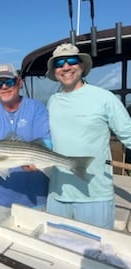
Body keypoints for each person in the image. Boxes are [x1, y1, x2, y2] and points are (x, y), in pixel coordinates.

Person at [45, 42, 131, 229]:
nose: (66, 67)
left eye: (72, 61)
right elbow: (50, 141)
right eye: (59, 63)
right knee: (56, 251)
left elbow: (129, 135)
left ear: (82, 66)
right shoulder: (52, 101)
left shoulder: (104, 98)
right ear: (54, 71)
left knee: (95, 255)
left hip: (95, 196)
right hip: (57, 195)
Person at [0, 63, 51, 231]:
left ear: (19, 82)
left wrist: (41, 162)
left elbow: (46, 142)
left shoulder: (37, 108)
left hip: (36, 197)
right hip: (2, 199)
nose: (4, 87)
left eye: (9, 82)